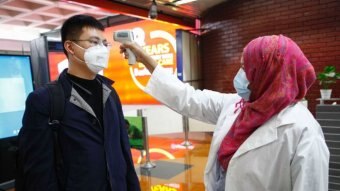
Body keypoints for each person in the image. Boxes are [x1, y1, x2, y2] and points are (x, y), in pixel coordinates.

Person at [120, 35, 329, 191]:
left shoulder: (302, 131)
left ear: (267, 74)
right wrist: (145, 59)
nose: (240, 75)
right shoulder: (238, 105)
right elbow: (188, 98)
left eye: (246, 68)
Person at [17, 15, 140, 191]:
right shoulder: (45, 100)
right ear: (70, 47)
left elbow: (123, 151)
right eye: (94, 42)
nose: (102, 49)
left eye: (104, 44)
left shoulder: (110, 92)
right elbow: (39, 172)